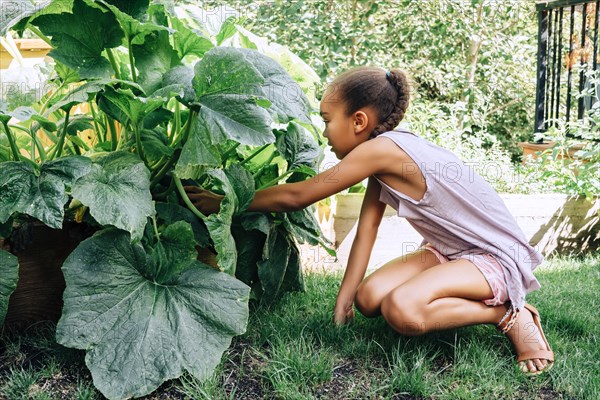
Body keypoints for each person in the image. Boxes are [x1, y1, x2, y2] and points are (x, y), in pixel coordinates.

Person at [184, 66, 554, 376]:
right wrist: (345, 298)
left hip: (493, 258)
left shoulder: (382, 150)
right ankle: (463, 298)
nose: (324, 131)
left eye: (328, 120)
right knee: (369, 298)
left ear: (359, 120)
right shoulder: (385, 152)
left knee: (401, 310)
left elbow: (300, 194)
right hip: (450, 252)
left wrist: (227, 201)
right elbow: (367, 230)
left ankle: (507, 314)